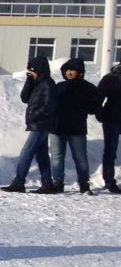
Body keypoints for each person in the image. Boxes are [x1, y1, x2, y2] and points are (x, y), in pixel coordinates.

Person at [1, 55, 56, 193]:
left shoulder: (48, 83)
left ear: (40, 70)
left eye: (33, 70)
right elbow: (24, 98)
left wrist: (34, 117)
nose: (31, 73)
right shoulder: (37, 83)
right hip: (37, 124)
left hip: (41, 124)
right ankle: (47, 184)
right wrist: (29, 80)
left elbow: (50, 106)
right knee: (41, 155)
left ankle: (19, 183)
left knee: (26, 152)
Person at [49, 57, 99, 195]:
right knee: (57, 157)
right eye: (67, 70)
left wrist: (82, 107)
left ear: (80, 72)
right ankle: (57, 184)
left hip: (77, 128)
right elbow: (49, 104)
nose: (69, 73)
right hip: (57, 127)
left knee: (80, 158)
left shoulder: (89, 88)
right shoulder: (59, 86)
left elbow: (95, 107)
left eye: (73, 70)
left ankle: (84, 184)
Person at [97, 61, 121, 194]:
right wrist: (101, 115)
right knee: (110, 151)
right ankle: (109, 181)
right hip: (112, 119)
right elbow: (98, 98)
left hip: (112, 118)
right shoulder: (110, 78)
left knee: (110, 151)